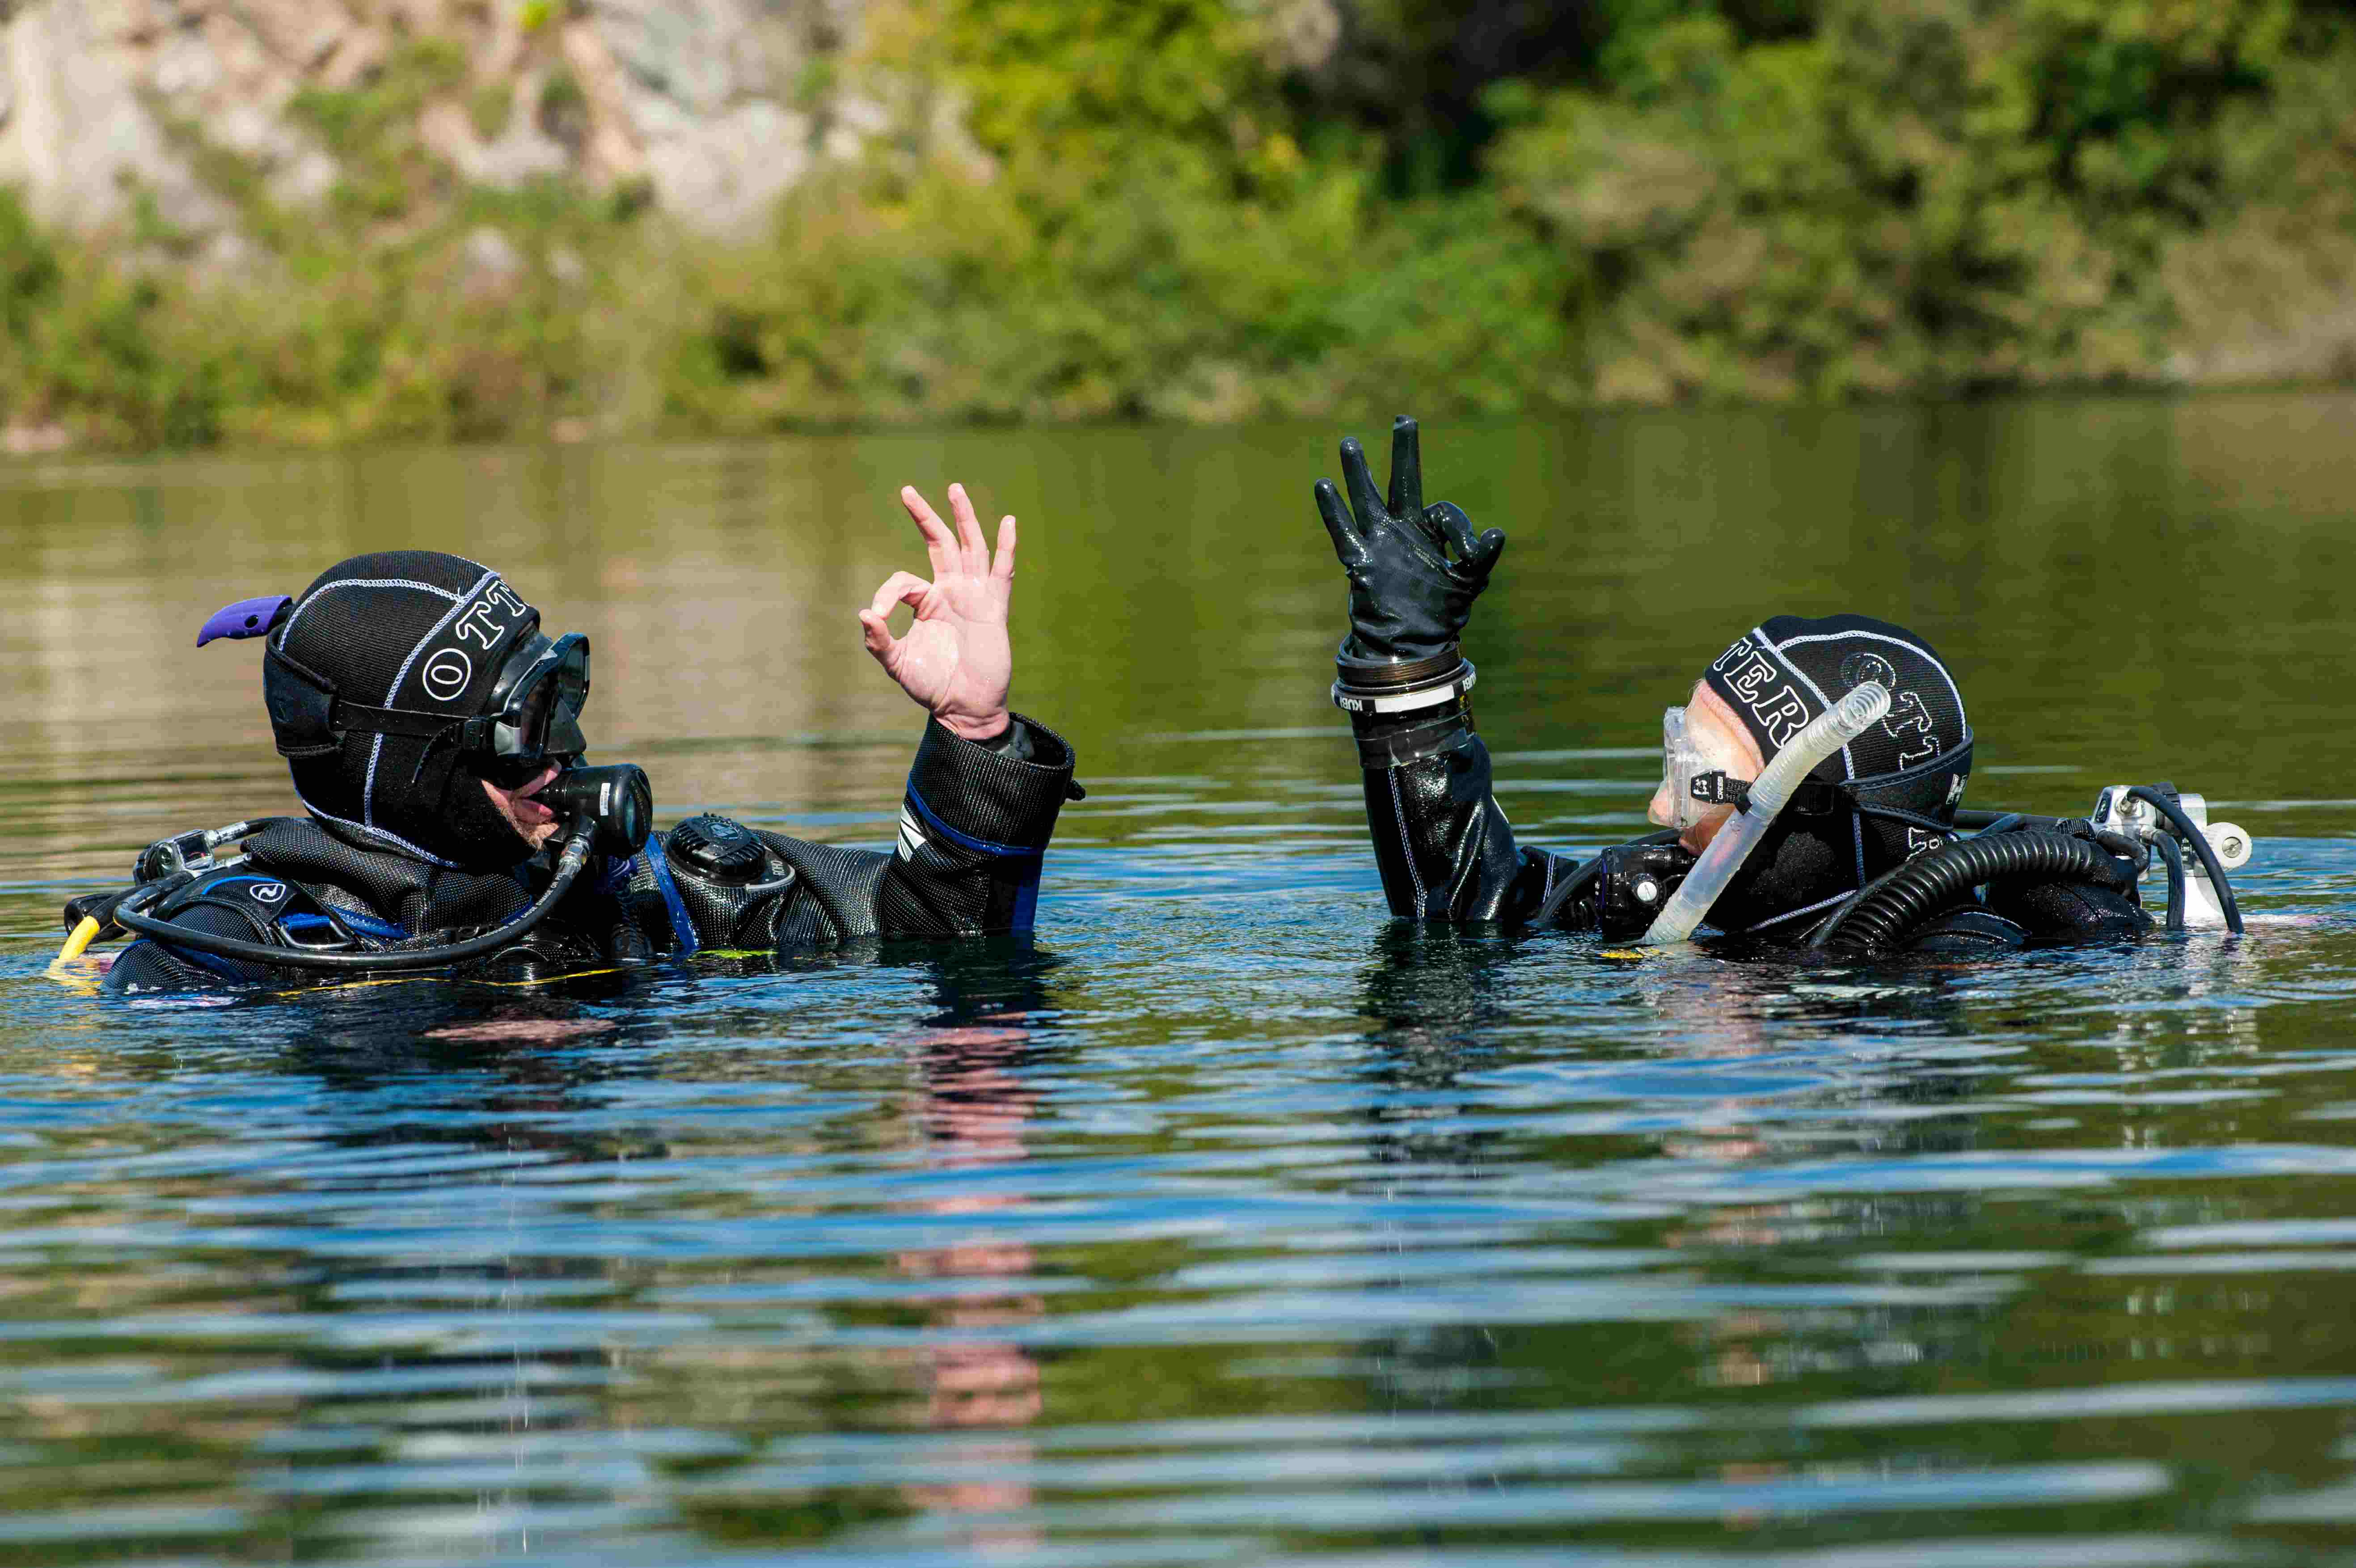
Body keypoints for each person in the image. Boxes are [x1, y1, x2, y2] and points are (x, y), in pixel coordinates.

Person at [69, 483, 1081, 993]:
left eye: (563, 695)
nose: (563, 752)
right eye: (523, 722)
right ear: (412, 766)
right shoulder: (234, 954)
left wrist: (971, 729)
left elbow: (943, 936)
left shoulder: (646, 888)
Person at [1312, 417, 2170, 954]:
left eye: (1696, 779)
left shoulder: (1950, 958)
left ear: (1803, 805)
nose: (1659, 808)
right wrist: (1405, 667)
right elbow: (1463, 903)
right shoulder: (1673, 897)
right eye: (1674, 757)